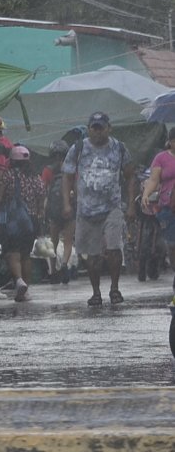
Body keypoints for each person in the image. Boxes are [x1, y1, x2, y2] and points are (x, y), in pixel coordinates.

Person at [62, 111, 136, 306]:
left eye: (101, 128)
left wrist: (130, 205)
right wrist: (66, 203)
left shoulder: (119, 148)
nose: (98, 132)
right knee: (91, 254)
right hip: (86, 210)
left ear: (108, 128)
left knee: (114, 247)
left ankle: (114, 289)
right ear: (89, 130)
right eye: (94, 128)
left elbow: (130, 176)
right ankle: (96, 292)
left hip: (112, 207)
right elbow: (67, 176)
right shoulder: (78, 148)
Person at [0, 145, 46, 302]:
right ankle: (25, 290)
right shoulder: (36, 177)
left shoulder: (8, 176)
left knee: (12, 252)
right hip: (31, 221)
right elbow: (42, 195)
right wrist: (39, 211)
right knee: (26, 255)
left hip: (12, 219)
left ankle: (19, 280)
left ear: (12, 160)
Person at [140, 126, 175, 297]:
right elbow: (153, 179)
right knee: (171, 245)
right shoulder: (161, 158)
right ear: (170, 141)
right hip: (168, 208)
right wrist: (146, 194)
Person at [41, 140, 75, 284]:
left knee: (52, 242)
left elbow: (44, 191)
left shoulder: (47, 170)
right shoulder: (72, 168)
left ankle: (53, 272)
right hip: (69, 208)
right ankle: (65, 265)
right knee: (68, 241)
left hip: (53, 210)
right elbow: (76, 188)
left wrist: (44, 211)